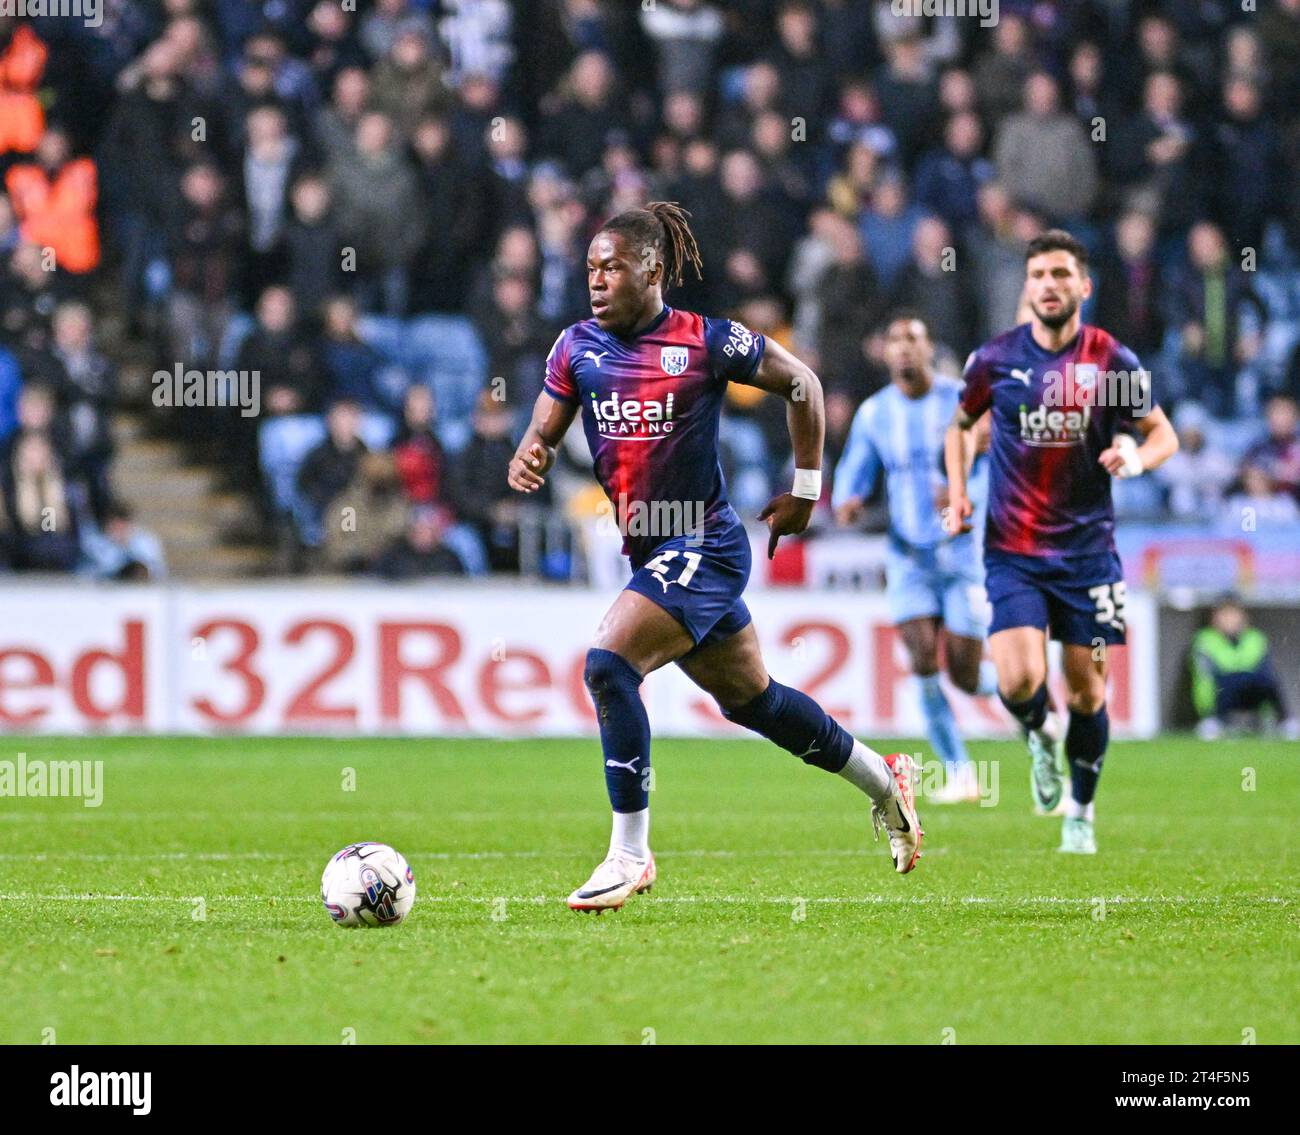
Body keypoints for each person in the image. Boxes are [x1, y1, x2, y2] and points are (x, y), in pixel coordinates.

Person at [507, 202, 921, 912]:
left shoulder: (706, 341)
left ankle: (629, 854)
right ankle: (886, 782)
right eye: (590, 269)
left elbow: (803, 384)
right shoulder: (575, 346)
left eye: (613, 267)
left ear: (653, 270)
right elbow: (548, 419)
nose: (597, 281)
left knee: (609, 664)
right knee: (753, 701)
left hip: (707, 542)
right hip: (652, 552)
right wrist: (533, 448)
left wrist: (806, 487)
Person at [944, 229, 1179, 854]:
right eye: (1039, 275)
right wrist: (960, 491)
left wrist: (1136, 457)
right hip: (1014, 550)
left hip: (1088, 556)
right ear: (1028, 286)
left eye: (1060, 275)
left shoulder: (1110, 360)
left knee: (1087, 691)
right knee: (1018, 681)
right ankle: (1038, 736)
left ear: (1083, 286)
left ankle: (1081, 809)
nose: (1049, 285)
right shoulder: (994, 359)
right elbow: (961, 426)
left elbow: (1162, 435)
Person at [834, 312, 998, 804]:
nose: (904, 348)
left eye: (913, 339)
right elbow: (855, 468)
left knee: (966, 676)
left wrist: (963, 494)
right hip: (908, 556)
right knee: (923, 657)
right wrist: (848, 497)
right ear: (884, 353)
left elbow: (996, 461)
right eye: (896, 340)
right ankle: (961, 773)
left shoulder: (961, 401)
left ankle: (1018, 687)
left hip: (962, 553)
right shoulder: (875, 413)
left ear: (930, 349)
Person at [1191, 598, 1298, 741]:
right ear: (1215, 618)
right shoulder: (1205, 639)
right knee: (1228, 682)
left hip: (1251, 690)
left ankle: (1285, 721)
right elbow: (1206, 675)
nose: (1230, 619)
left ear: (1243, 616)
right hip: (1221, 693)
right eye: (1225, 614)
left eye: (1233, 614)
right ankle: (1214, 721)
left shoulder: (1255, 638)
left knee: (1267, 680)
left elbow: (1264, 669)